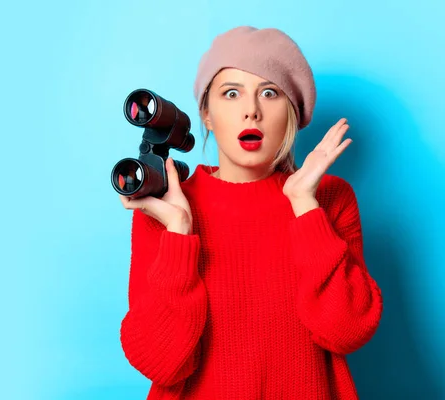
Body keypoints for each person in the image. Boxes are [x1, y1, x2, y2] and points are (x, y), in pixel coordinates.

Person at [118, 25, 383, 400]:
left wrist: (305, 207)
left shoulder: (328, 197)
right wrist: (179, 232)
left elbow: (347, 331)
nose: (251, 111)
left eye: (270, 93)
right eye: (231, 93)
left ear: (291, 112)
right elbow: (161, 363)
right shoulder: (165, 206)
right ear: (207, 115)